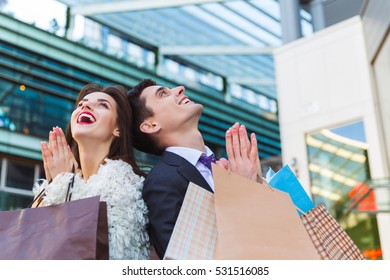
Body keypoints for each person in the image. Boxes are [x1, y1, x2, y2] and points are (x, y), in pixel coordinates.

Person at [128, 78, 261, 259]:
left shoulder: (229, 169)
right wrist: (242, 190)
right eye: (163, 94)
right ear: (151, 125)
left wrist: (256, 187)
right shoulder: (161, 182)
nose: (180, 89)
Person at [33, 83, 150, 260]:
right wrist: (57, 186)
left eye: (103, 105)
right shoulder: (57, 182)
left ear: (117, 129)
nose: (85, 106)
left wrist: (63, 186)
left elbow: (102, 256)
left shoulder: (128, 187)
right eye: (81, 104)